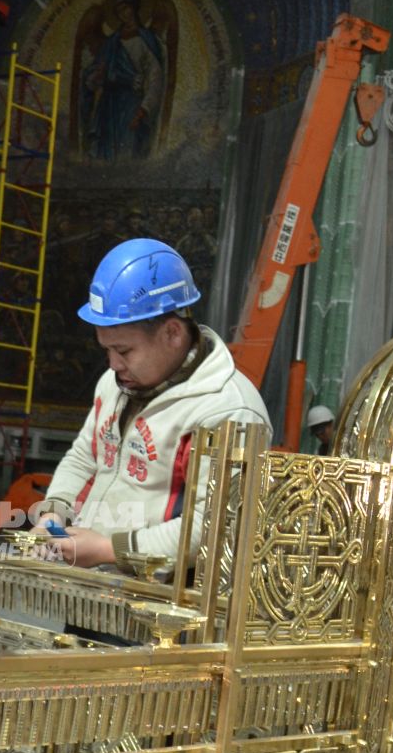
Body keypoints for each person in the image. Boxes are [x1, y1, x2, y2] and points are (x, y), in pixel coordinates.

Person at [39, 238, 270, 567]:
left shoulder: (227, 410)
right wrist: (53, 514)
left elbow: (216, 526)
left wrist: (110, 549)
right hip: (93, 583)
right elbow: (85, 457)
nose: (113, 365)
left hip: (163, 603)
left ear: (173, 333)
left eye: (124, 351)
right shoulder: (115, 385)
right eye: (106, 350)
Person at [82, 0, 165, 161]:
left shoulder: (146, 39)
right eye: (118, 12)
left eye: (126, 8)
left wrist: (143, 110)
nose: (123, 14)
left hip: (132, 104)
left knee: (128, 150)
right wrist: (96, 75)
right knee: (106, 154)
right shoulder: (111, 43)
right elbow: (94, 76)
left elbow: (155, 77)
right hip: (109, 105)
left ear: (134, 8)